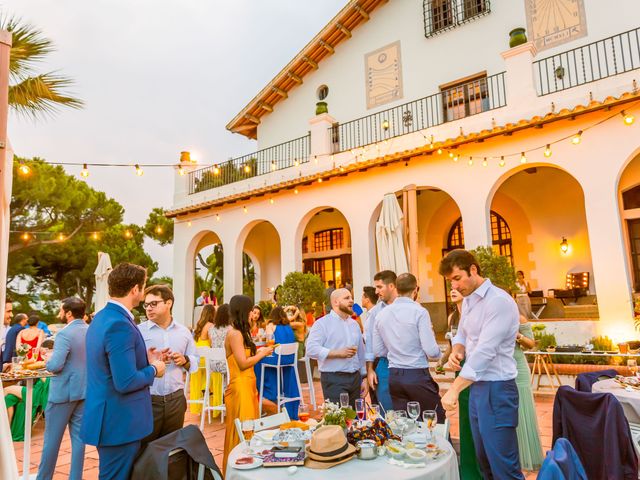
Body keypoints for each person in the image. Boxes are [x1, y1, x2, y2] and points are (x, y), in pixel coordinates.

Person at [439, 250, 524, 480]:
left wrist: (454, 389)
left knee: (504, 468)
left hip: (497, 389)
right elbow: (462, 334)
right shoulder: (468, 301)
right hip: (477, 389)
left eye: (457, 278)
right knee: (484, 464)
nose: (455, 286)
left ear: (473, 269)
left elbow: (485, 351)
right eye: (450, 281)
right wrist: (457, 350)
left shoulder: (499, 301)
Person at [81, 263, 167, 480]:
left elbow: (106, 362)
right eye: (144, 287)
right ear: (135, 289)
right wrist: (154, 369)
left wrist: (141, 357)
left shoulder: (101, 318)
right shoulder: (120, 324)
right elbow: (126, 381)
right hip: (119, 422)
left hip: (108, 417)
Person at [373, 273, 444, 419]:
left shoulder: (381, 314)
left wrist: (396, 348)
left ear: (396, 289)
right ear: (416, 290)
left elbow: (378, 350)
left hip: (394, 375)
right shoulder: (419, 311)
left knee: (405, 422)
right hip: (416, 373)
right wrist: (440, 355)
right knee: (434, 418)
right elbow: (431, 350)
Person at [36, 297, 89, 480]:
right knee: (79, 440)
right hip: (84, 391)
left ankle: (44, 478)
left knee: (51, 441)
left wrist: (47, 360)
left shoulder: (64, 334)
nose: (59, 313)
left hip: (63, 394)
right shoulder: (90, 331)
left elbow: (56, 365)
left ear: (68, 313)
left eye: (61, 310)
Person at [139, 284, 198, 447]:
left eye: (153, 304)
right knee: (145, 450)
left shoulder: (183, 332)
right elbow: (131, 365)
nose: (148, 309)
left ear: (168, 303)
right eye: (146, 305)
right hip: (149, 401)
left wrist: (184, 360)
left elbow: (196, 360)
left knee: (171, 450)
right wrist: (149, 362)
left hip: (176, 401)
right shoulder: (139, 331)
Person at [222, 295, 274, 473]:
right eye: (251, 310)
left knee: (250, 429)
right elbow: (243, 363)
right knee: (243, 432)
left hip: (249, 385)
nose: (254, 313)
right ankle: (238, 472)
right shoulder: (235, 334)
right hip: (240, 386)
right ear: (244, 311)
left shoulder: (241, 331)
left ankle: (250, 470)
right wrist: (262, 353)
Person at [437, 288, 483, 479]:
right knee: (465, 421)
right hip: (460, 366)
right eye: (450, 288)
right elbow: (454, 345)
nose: (453, 290)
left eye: (457, 286)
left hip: (477, 366)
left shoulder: (477, 312)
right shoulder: (452, 317)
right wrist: (445, 359)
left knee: (481, 421)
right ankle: (468, 471)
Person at [306, 288, 368, 408]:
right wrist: (337, 353)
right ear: (335, 302)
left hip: (355, 379)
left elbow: (361, 353)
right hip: (334, 379)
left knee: (356, 420)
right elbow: (311, 349)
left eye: (351, 298)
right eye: (346, 298)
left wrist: (364, 377)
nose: (351, 301)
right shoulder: (322, 324)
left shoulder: (354, 324)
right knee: (338, 422)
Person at [255, 306, 300, 419]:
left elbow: (270, 343)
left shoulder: (271, 325)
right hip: (290, 360)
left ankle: (266, 392)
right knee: (266, 360)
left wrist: (261, 350)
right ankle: (274, 391)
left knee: (257, 360)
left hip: (278, 359)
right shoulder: (288, 327)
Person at [514, 303, 544, 470]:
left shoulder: (520, 319)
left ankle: (527, 456)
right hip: (501, 369)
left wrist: (517, 335)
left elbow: (531, 344)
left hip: (518, 367)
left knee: (523, 410)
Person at [365, 270, 397, 412]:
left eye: (379, 287)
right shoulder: (375, 312)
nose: (376, 291)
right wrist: (370, 370)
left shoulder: (408, 307)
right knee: (386, 410)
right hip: (384, 365)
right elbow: (370, 344)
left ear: (391, 286)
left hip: (407, 365)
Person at [189, 304, 216, 414]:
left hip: (197, 359)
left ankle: (205, 388)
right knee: (217, 371)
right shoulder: (210, 325)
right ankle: (211, 395)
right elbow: (212, 343)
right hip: (206, 359)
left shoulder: (198, 326)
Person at [207, 303, 232, 418]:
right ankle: (231, 403)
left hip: (212, 365)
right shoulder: (230, 329)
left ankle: (222, 401)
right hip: (226, 364)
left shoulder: (211, 329)